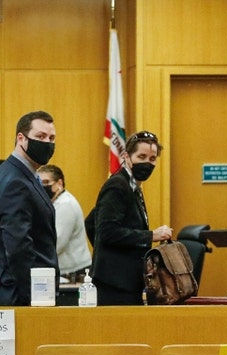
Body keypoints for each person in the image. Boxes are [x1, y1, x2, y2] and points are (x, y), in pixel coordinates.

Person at [0, 110, 59, 306]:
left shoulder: (18, 173)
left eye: (51, 138)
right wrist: (33, 297)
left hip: (17, 291)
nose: (47, 143)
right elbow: (18, 248)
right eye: (40, 136)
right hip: (16, 295)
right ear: (21, 138)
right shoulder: (15, 181)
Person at [89, 130, 173, 306]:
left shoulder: (132, 186)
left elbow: (91, 222)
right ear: (127, 156)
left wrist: (104, 254)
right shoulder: (118, 185)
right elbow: (107, 231)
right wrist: (151, 236)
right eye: (141, 156)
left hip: (124, 280)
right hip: (114, 284)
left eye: (152, 159)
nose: (147, 163)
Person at [36, 164, 92, 283]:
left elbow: (57, 243)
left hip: (74, 273)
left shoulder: (65, 204)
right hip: (65, 271)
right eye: (39, 182)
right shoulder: (53, 203)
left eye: (46, 182)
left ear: (59, 183)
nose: (42, 187)